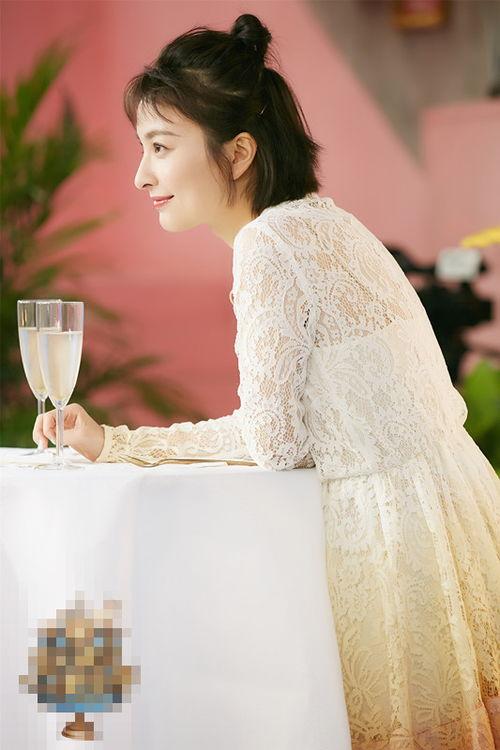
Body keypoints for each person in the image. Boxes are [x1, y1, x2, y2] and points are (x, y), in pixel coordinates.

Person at [33, 13, 500, 750]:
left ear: (239, 151)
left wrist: (121, 444)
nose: (141, 175)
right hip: (449, 519)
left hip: (387, 553)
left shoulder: (268, 246)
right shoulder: (328, 222)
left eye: (160, 147)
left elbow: (275, 442)